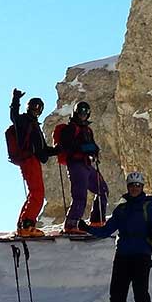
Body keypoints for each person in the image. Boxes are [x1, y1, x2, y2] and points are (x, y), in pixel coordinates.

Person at [80, 171, 152, 302]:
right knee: (117, 296)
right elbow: (106, 230)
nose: (135, 188)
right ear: (128, 187)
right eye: (132, 185)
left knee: (141, 295)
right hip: (123, 257)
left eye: (138, 185)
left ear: (142, 187)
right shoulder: (122, 209)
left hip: (141, 256)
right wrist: (87, 228)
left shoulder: (149, 207)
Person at [10, 88, 58, 238]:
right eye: (34, 107)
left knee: (34, 192)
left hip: (33, 160)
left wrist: (58, 150)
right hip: (29, 160)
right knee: (38, 192)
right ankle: (27, 225)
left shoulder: (34, 125)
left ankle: (23, 224)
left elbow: (42, 149)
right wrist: (15, 100)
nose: (36, 110)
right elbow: (14, 117)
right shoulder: (24, 122)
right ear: (29, 108)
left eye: (38, 108)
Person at [55, 100, 106, 234]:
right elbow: (67, 146)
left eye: (85, 112)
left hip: (86, 164)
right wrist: (85, 149)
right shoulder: (70, 129)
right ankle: (71, 224)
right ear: (76, 113)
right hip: (76, 164)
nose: (83, 115)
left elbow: (93, 146)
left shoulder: (87, 130)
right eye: (81, 112)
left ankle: (97, 221)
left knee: (103, 189)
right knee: (80, 195)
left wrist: (94, 151)